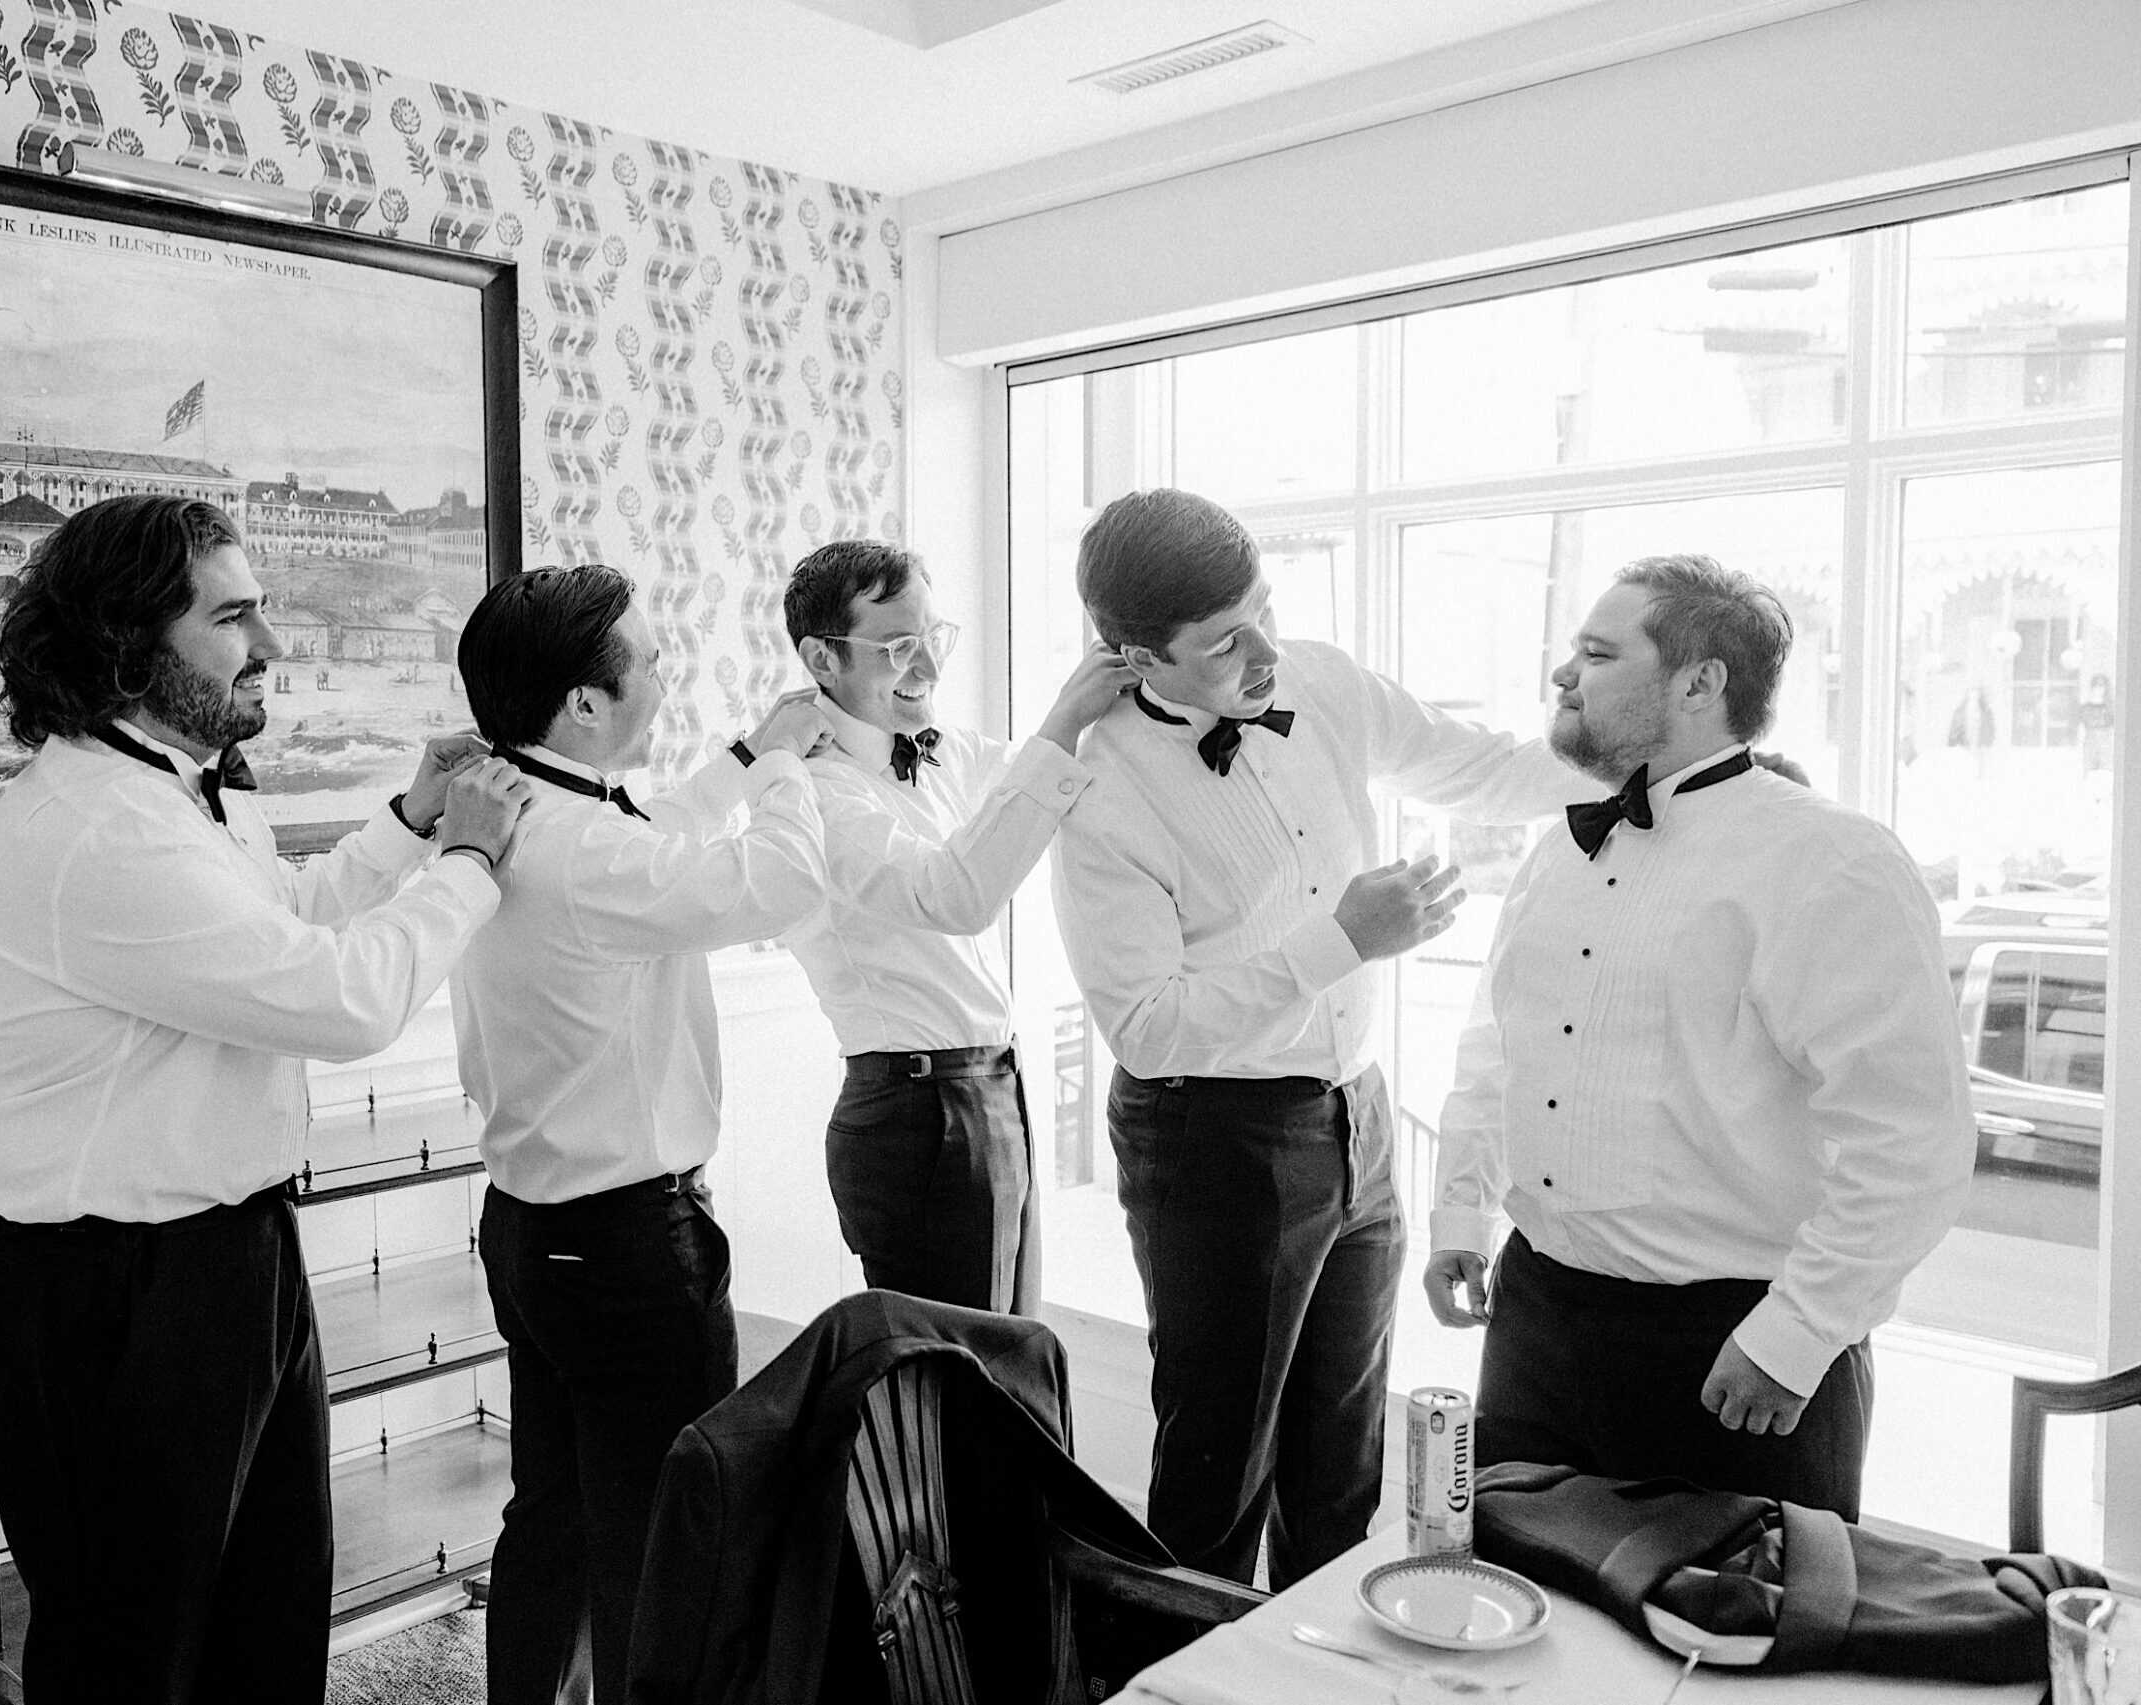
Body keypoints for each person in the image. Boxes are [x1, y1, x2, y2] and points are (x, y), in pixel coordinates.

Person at [0, 494, 527, 1705]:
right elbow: (340, 1000)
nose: (271, 645)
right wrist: (468, 860)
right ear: (128, 642)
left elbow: (283, 929)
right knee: (130, 1648)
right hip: (98, 1286)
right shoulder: (99, 829)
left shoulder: (183, 786)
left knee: (269, 1609)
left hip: (228, 1254)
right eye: (235, 617)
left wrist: (412, 822)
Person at [1051, 487, 1586, 1588]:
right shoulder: (1095, 787)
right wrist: (1342, 938)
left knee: (1343, 1460)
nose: (1263, 652)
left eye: (1265, 611)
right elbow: (1147, 1029)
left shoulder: (1320, 679)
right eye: (1222, 642)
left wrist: (1638, 761)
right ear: (1134, 654)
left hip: (1360, 1111)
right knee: (1216, 1468)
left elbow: (1476, 766)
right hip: (1212, 1135)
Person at [1424, 554, 1974, 1520]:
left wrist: (1798, 1333)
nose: (1564, 675)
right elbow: (1496, 1049)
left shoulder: (1830, 860)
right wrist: (1460, 1216)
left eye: (1597, 652)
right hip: (1534, 1322)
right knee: (1523, 1625)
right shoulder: (1558, 845)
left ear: (1699, 681)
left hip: (1730, 1343)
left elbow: (1912, 1139)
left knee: (1720, 1655)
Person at [450, 564, 832, 1705]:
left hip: (528, 1228)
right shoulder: (585, 850)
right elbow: (783, 881)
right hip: (625, 1248)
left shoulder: (519, 808)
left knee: (555, 1513)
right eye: (654, 661)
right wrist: (781, 771)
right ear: (581, 702)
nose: (666, 677)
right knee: (662, 1538)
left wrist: (735, 757)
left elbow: (653, 834)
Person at [778, 539, 1132, 1313]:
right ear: (823, 657)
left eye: (933, 639)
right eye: (900, 648)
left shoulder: (948, 754)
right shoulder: (817, 793)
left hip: (994, 1089)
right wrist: (1064, 716)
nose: (930, 671)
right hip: (920, 1117)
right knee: (961, 1389)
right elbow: (955, 894)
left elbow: (1066, 788)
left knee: (1011, 1363)